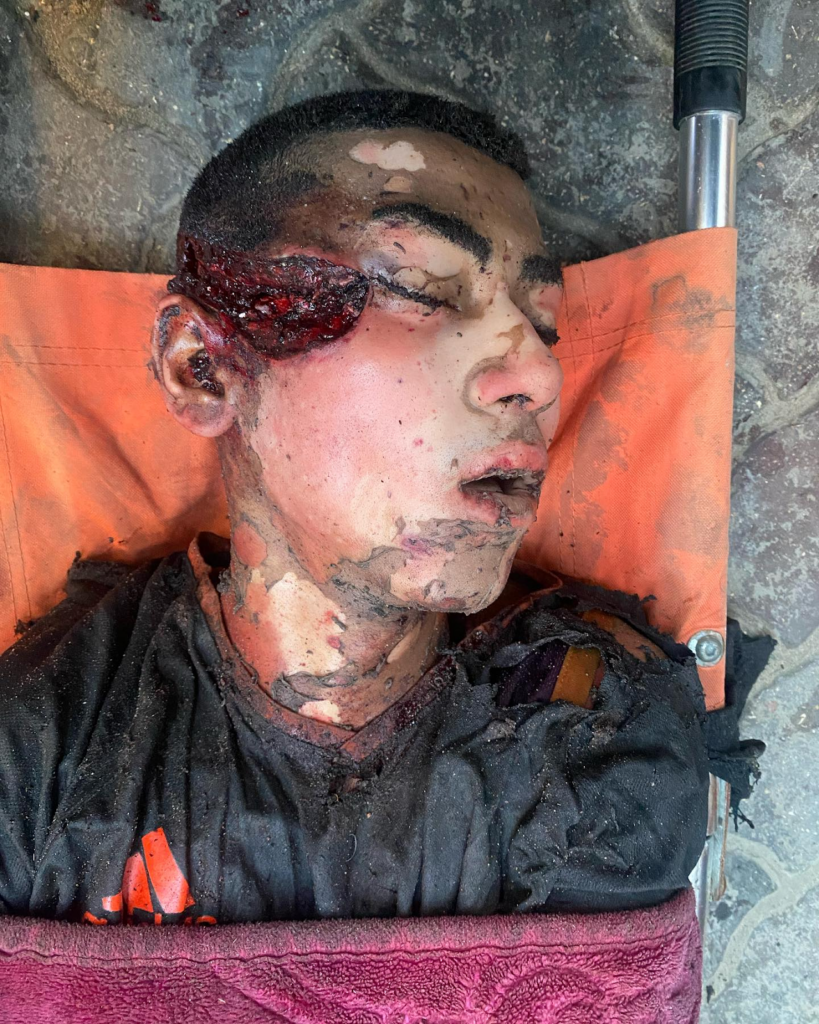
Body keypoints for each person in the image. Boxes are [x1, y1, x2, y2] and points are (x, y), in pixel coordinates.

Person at [0, 90, 709, 925]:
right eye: (420, 288)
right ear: (203, 367)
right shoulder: (40, 750)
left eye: (544, 323)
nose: (539, 375)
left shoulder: (592, 730)